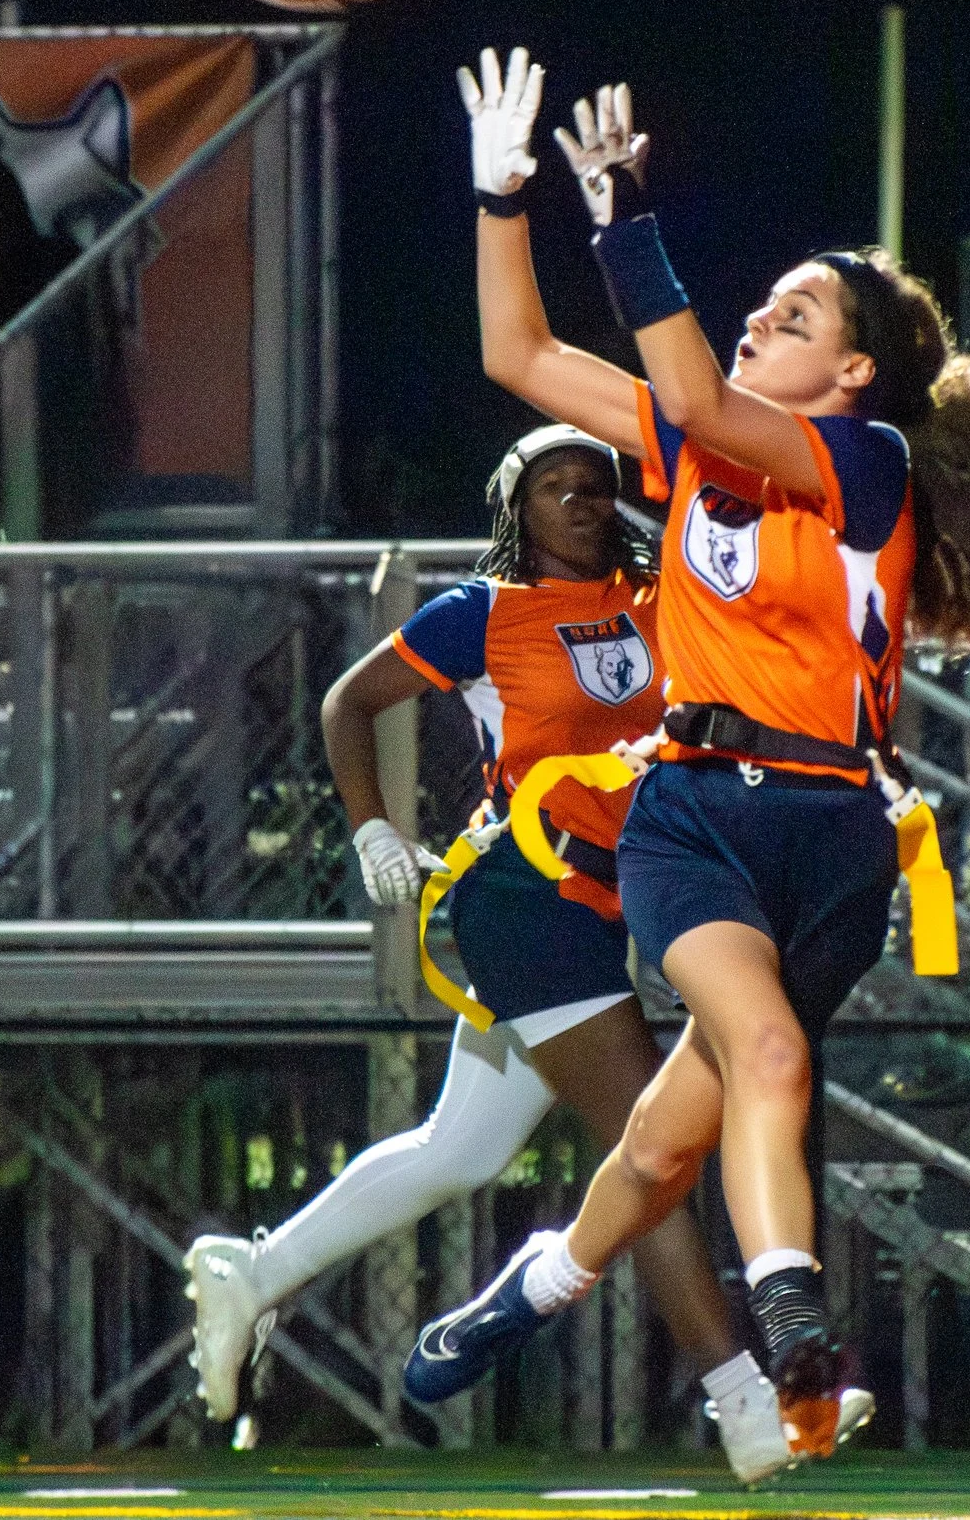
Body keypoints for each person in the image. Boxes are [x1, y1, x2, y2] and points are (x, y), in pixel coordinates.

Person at [405, 52, 970, 1478]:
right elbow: (516, 355)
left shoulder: (868, 458)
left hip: (830, 836)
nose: (770, 310)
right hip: (696, 811)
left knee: (662, 1149)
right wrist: (500, 192)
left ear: (854, 370)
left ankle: (539, 1282)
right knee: (766, 1053)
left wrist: (626, 220)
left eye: (801, 308)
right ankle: (797, 1330)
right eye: (765, 299)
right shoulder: (696, 438)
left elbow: (702, 395)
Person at [181, 425, 746, 1430]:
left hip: (616, 899)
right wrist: (370, 829)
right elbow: (347, 702)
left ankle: (252, 1272)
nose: (579, 500)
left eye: (596, 486)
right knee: (644, 1145)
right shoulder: (486, 611)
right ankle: (744, 1400)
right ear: (513, 509)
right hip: (531, 898)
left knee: (461, 1147)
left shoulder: (661, 602)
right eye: (553, 486)